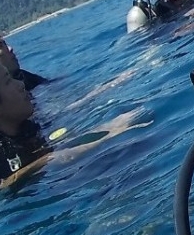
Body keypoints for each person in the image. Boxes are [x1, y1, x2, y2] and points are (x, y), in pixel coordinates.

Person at [1, 64, 150, 187]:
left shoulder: (28, 127)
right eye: (8, 82)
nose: (21, 85)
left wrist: (104, 131)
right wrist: (106, 135)